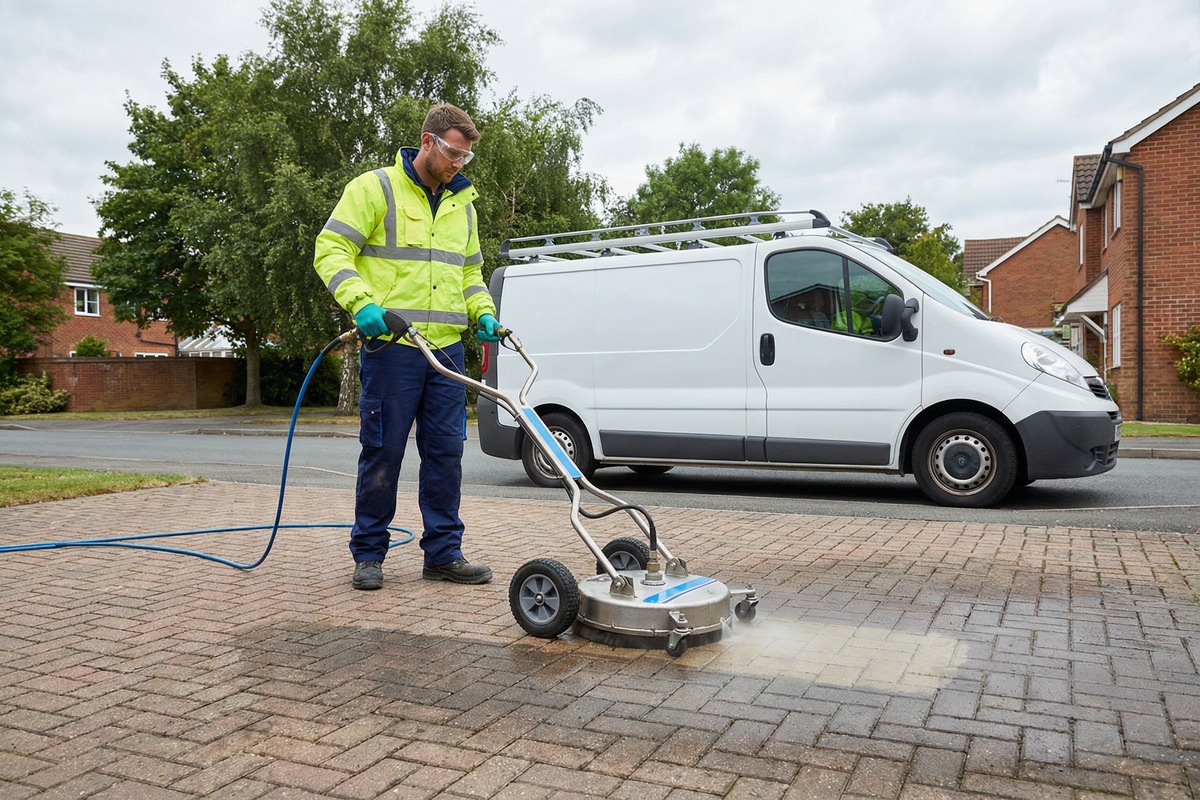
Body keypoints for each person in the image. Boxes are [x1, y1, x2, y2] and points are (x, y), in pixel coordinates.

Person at [313, 103, 503, 591]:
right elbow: (330, 248)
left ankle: (443, 553)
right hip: (393, 347)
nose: (459, 163)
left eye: (466, 157)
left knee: (446, 454)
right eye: (453, 153)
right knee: (383, 452)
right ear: (427, 141)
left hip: (444, 351)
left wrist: (482, 311)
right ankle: (369, 554)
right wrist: (360, 303)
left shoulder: (464, 204)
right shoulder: (374, 188)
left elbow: (468, 273)